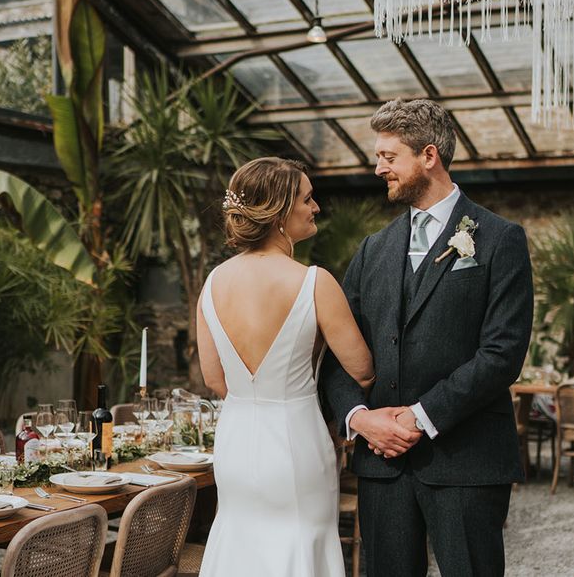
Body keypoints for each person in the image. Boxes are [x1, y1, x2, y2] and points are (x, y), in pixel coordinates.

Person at [321, 98, 534, 577]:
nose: (378, 168)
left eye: (388, 157)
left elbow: (502, 354)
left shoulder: (499, 239)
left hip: (467, 460)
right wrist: (359, 418)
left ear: (429, 156)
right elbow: (336, 353)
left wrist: (420, 417)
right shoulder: (372, 249)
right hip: (382, 464)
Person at [196, 157, 381, 577]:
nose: (315, 207)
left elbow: (214, 379)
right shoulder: (314, 281)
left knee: (239, 542)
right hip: (296, 440)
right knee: (301, 544)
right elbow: (363, 369)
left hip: (237, 440)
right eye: (307, 198)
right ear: (279, 212)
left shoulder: (214, 282)